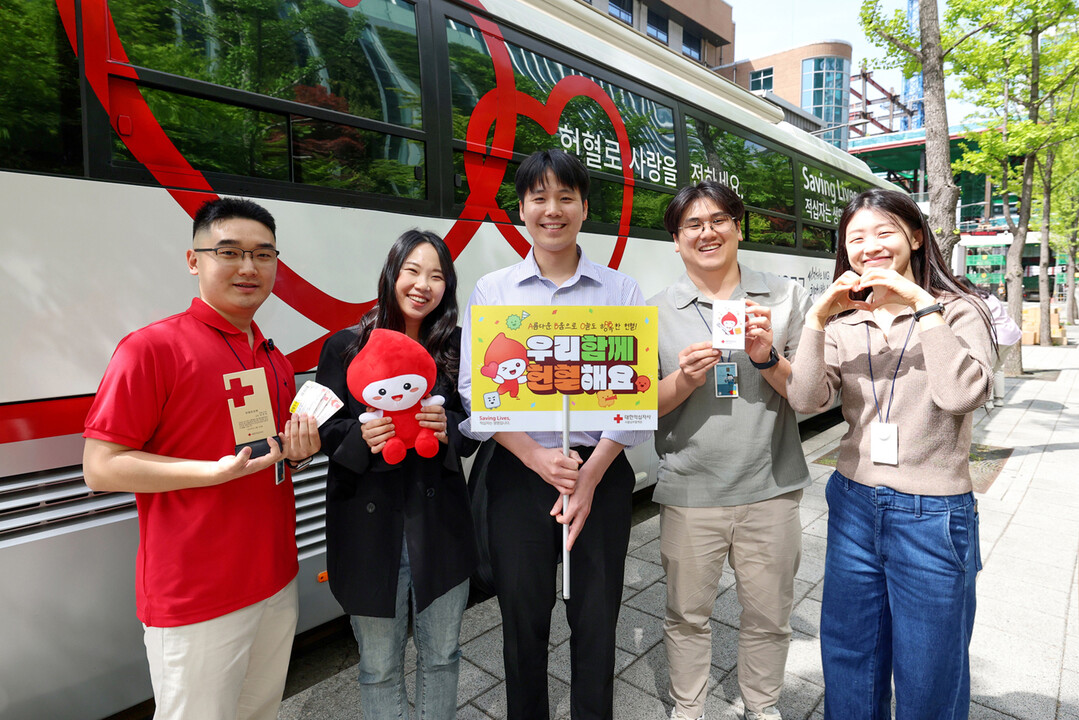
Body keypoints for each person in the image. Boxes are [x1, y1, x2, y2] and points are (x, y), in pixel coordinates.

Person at [82, 198, 321, 720]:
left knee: (260, 713)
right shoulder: (151, 349)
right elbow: (99, 467)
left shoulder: (274, 357)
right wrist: (209, 473)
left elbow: (268, 457)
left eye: (262, 254)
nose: (248, 267)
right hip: (196, 597)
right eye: (229, 252)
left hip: (276, 579)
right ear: (194, 261)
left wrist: (298, 455)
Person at [786, 188, 995, 720]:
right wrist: (816, 319)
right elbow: (806, 399)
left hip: (933, 515)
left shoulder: (959, 311)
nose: (869, 246)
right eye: (855, 237)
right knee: (850, 657)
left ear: (916, 237)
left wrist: (921, 305)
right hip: (853, 504)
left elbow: (960, 395)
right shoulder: (844, 323)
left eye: (884, 232)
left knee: (929, 670)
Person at [458, 148, 651, 720]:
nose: (553, 210)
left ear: (584, 207)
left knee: (596, 618)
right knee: (522, 620)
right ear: (521, 209)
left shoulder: (620, 291)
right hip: (520, 473)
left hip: (600, 472)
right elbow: (476, 391)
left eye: (566, 197)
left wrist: (589, 476)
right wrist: (538, 459)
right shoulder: (494, 291)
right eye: (539, 197)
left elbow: (635, 398)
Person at [650, 181, 812, 720]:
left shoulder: (785, 298)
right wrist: (684, 380)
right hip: (689, 488)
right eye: (692, 225)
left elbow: (811, 394)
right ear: (676, 239)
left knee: (769, 616)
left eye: (719, 220)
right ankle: (688, 708)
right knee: (686, 615)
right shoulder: (654, 312)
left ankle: (762, 707)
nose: (707, 232)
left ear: (738, 228)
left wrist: (766, 358)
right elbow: (639, 407)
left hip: (771, 486)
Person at [315, 230, 477, 720]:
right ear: (392, 274)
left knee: (443, 657)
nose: (423, 285)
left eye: (437, 276)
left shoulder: (457, 349)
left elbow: (474, 426)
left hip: (439, 527)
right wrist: (359, 436)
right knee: (379, 667)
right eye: (412, 271)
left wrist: (449, 428)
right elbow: (322, 428)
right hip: (368, 531)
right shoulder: (345, 346)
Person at [958, 276, 1021, 405]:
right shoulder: (987, 295)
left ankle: (988, 401)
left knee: (987, 369)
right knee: (997, 368)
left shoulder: (972, 300)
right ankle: (999, 399)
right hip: (1011, 333)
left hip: (997, 335)